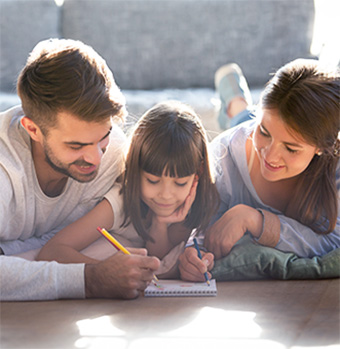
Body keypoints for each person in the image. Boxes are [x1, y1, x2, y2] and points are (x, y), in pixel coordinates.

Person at [0, 38, 159, 300]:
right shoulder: (6, 167)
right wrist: (89, 279)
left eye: (103, 137)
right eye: (76, 146)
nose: (95, 158)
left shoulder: (115, 152)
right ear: (32, 129)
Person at [179, 58, 340, 282]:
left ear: (322, 148)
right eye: (264, 131)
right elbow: (198, 230)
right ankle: (237, 103)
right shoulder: (224, 158)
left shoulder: (335, 166)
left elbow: (334, 242)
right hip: (244, 127)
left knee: (245, 120)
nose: (271, 156)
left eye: (291, 148)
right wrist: (190, 252)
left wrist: (255, 220)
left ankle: (237, 103)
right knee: (242, 121)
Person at [37, 100, 220, 277]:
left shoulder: (191, 200)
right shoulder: (119, 201)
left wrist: (160, 223)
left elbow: (159, 257)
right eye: (152, 181)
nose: (165, 195)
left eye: (180, 183)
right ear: (136, 169)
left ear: (198, 172)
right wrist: (106, 270)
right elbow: (52, 251)